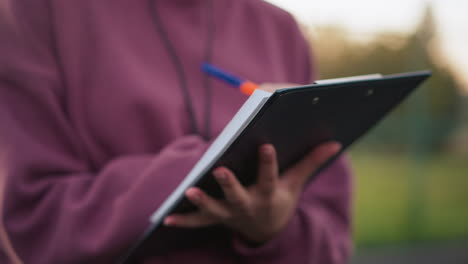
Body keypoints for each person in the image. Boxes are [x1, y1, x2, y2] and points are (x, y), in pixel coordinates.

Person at [0, 0, 352, 263]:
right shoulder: (36, 12)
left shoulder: (280, 29)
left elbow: (332, 242)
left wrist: (277, 228)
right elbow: (34, 222)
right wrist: (214, 162)